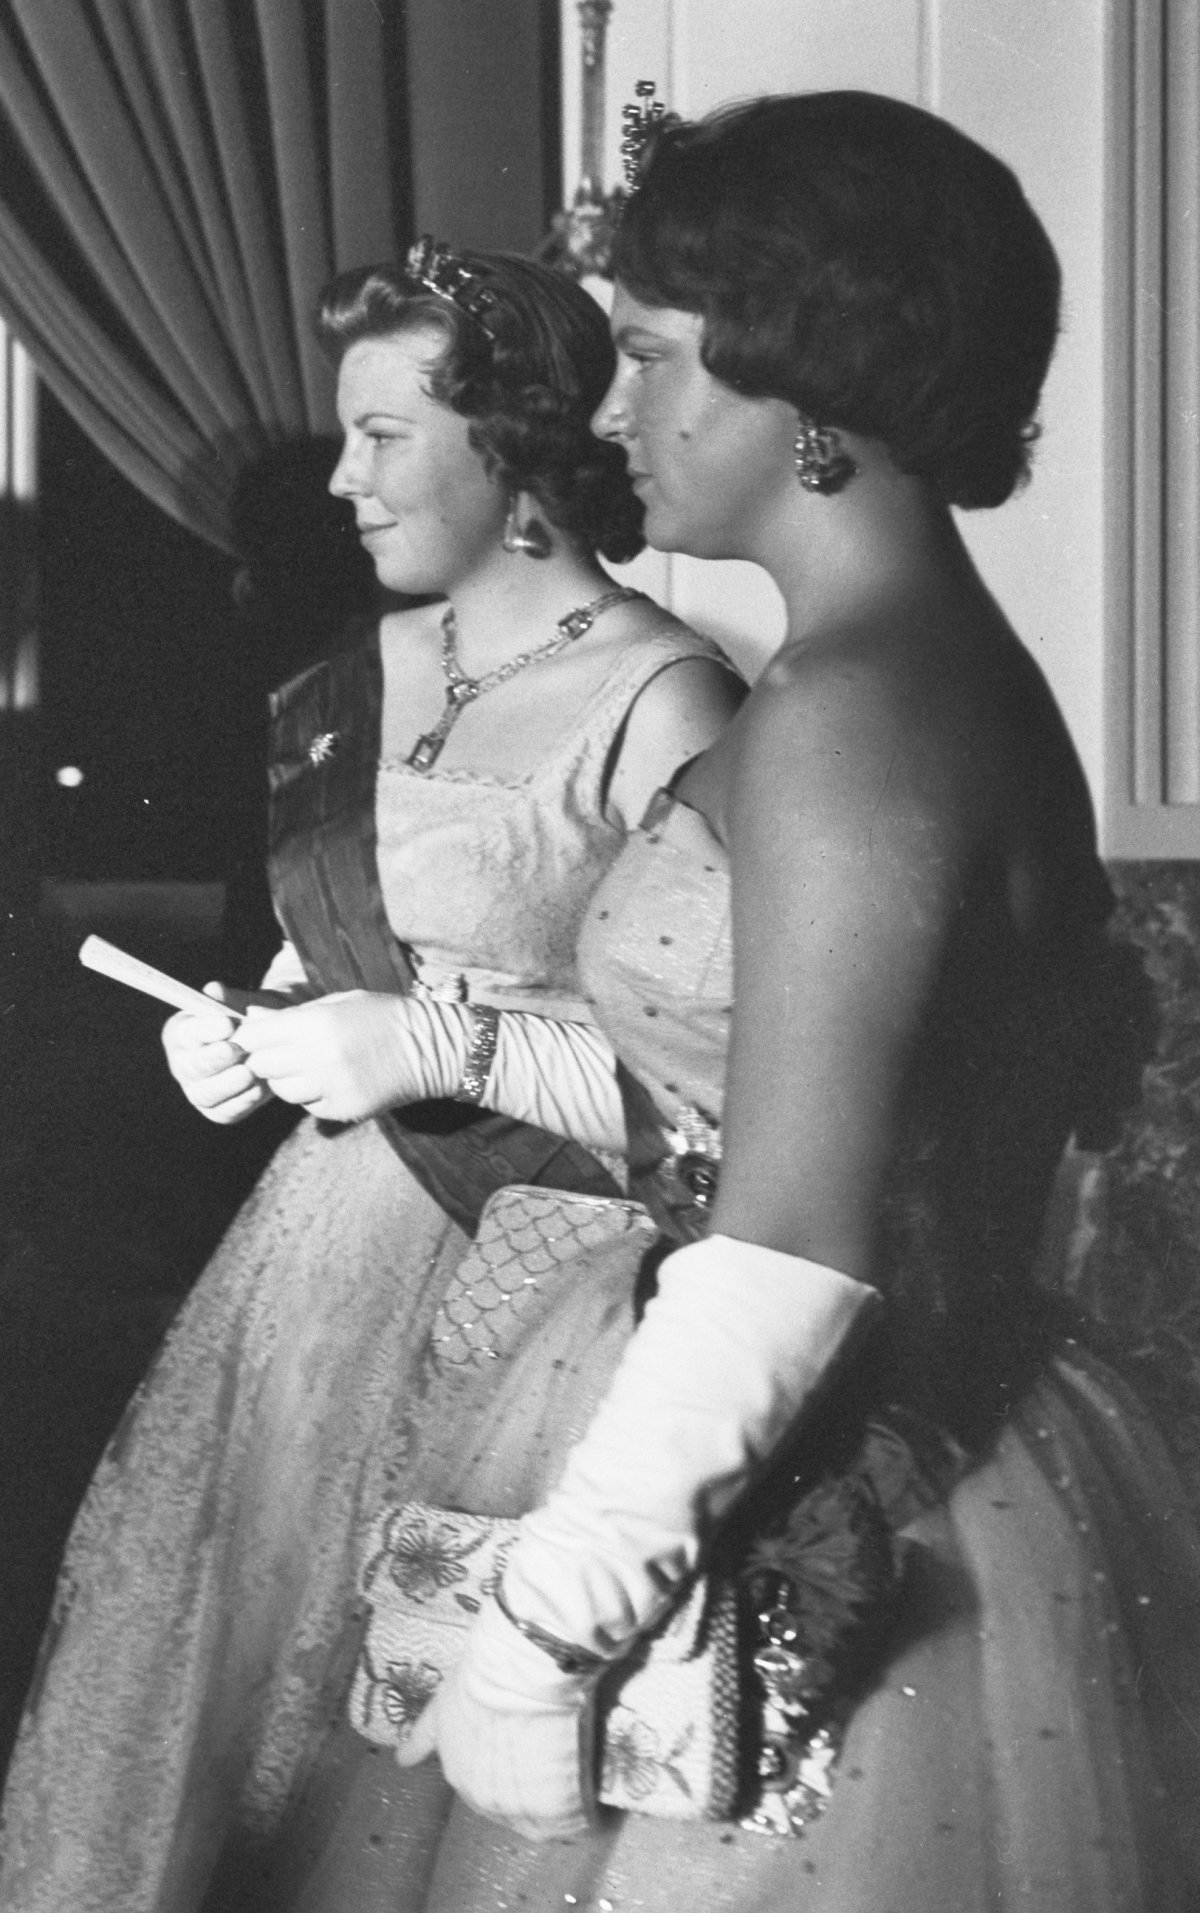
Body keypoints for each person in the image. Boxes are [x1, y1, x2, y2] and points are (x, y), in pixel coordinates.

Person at [230, 93, 1200, 1913]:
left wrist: (549, 1626)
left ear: (809, 393)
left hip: (819, 1470)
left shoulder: (854, 719)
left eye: (656, 357)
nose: (606, 411)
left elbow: (795, 1240)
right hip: (851, 1409)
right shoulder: (912, 673)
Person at [0, 245, 743, 1912]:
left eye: (387, 435)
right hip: (309, 1270)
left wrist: (446, 1046)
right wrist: (246, 1030)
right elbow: (343, 944)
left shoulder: (666, 691)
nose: (344, 477)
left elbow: (724, 1082)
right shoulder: (353, 677)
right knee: (222, 1719)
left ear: (516, 441)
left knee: (419, 1778)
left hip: (537, 1295)